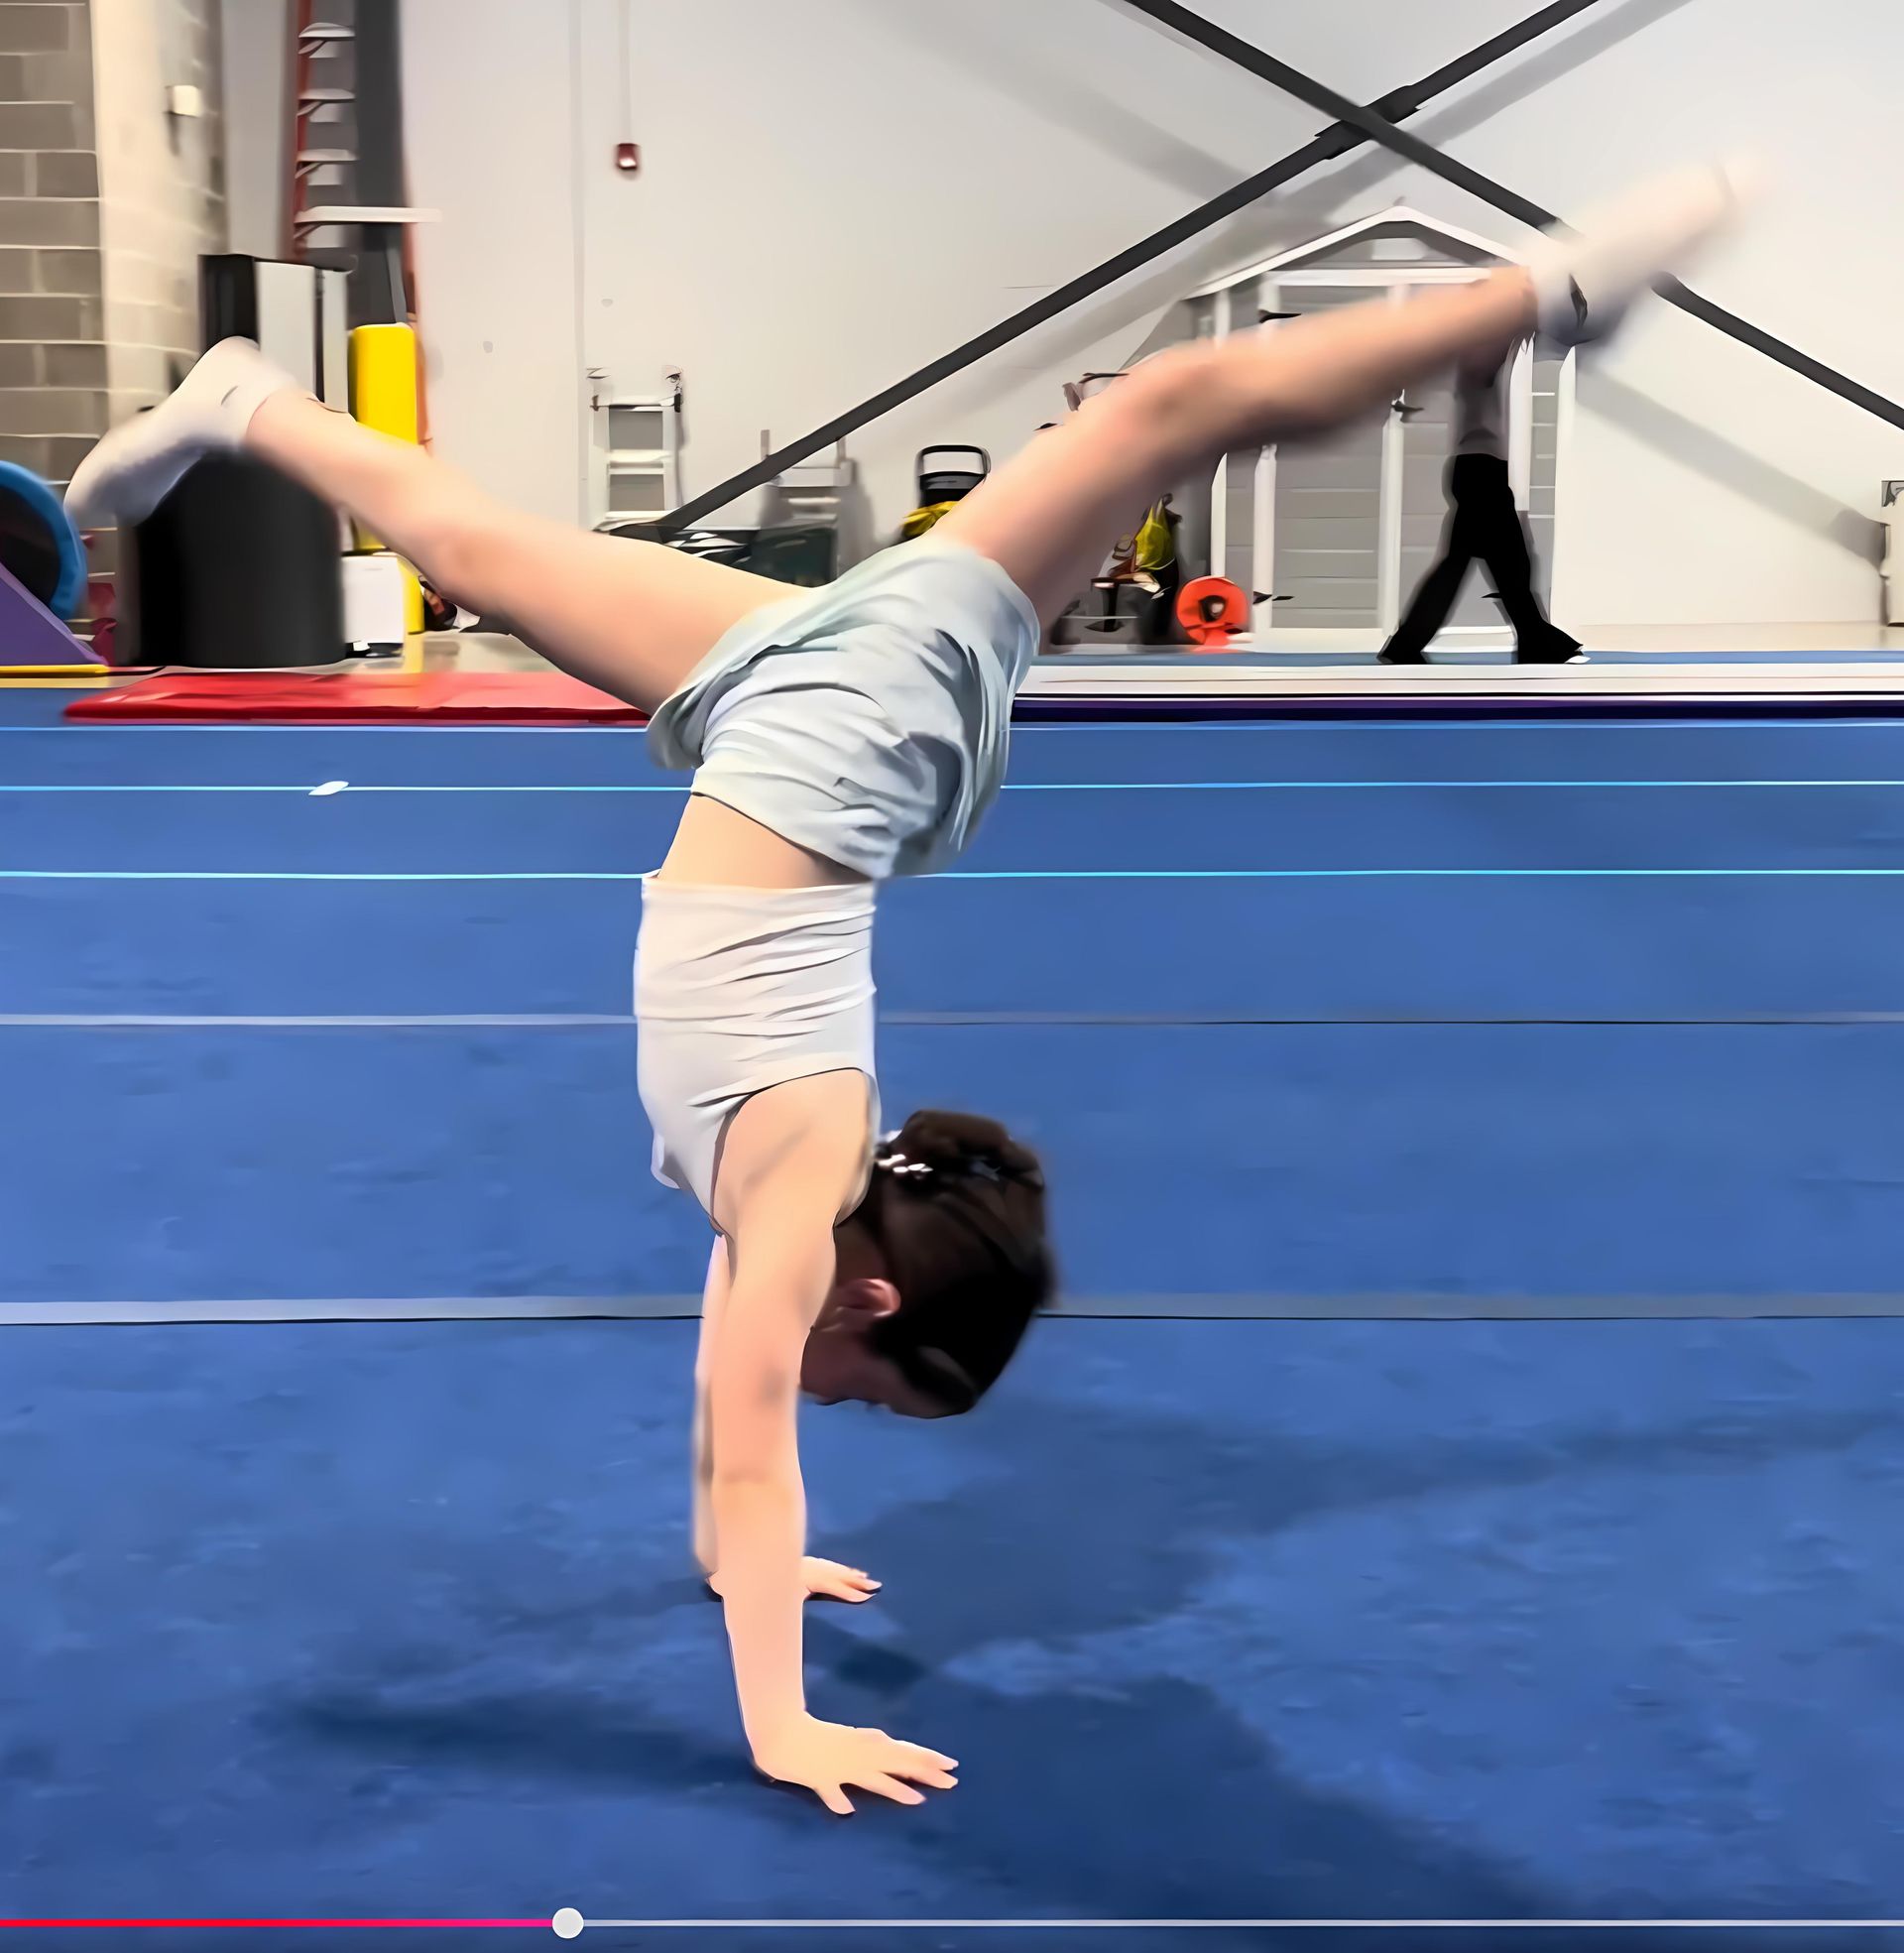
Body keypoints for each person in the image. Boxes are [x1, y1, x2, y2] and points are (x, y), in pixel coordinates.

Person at [65, 160, 1748, 1816]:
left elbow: (732, 1467)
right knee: (1170, 408)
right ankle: (1542, 296)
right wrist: (783, 1722)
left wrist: (755, 1556)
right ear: (871, 1309)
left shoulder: (803, 1190)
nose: (836, 1405)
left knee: (483, 545)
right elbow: (745, 1438)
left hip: (798, 738)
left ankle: (252, 401)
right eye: (875, 1391)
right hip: (842, 741)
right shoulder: (800, 1187)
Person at [1378, 347, 1581, 666]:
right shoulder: (1480, 357)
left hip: (1479, 470)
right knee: (1510, 564)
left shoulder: (1484, 356)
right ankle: (1537, 641)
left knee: (1476, 565)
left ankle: (1407, 644)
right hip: (1481, 472)